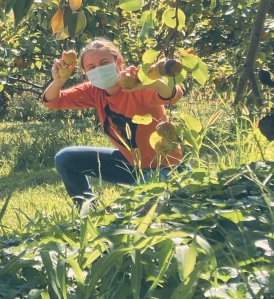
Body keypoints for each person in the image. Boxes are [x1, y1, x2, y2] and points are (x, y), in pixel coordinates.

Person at [42, 38, 184, 214]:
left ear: (118, 62)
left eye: (104, 63)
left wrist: (149, 82)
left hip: (165, 167)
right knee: (66, 159)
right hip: (132, 165)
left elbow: (172, 95)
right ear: (86, 72)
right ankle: (87, 212)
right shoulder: (95, 92)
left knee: (126, 213)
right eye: (91, 67)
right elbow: (53, 101)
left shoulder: (136, 81)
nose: (99, 70)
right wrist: (58, 81)